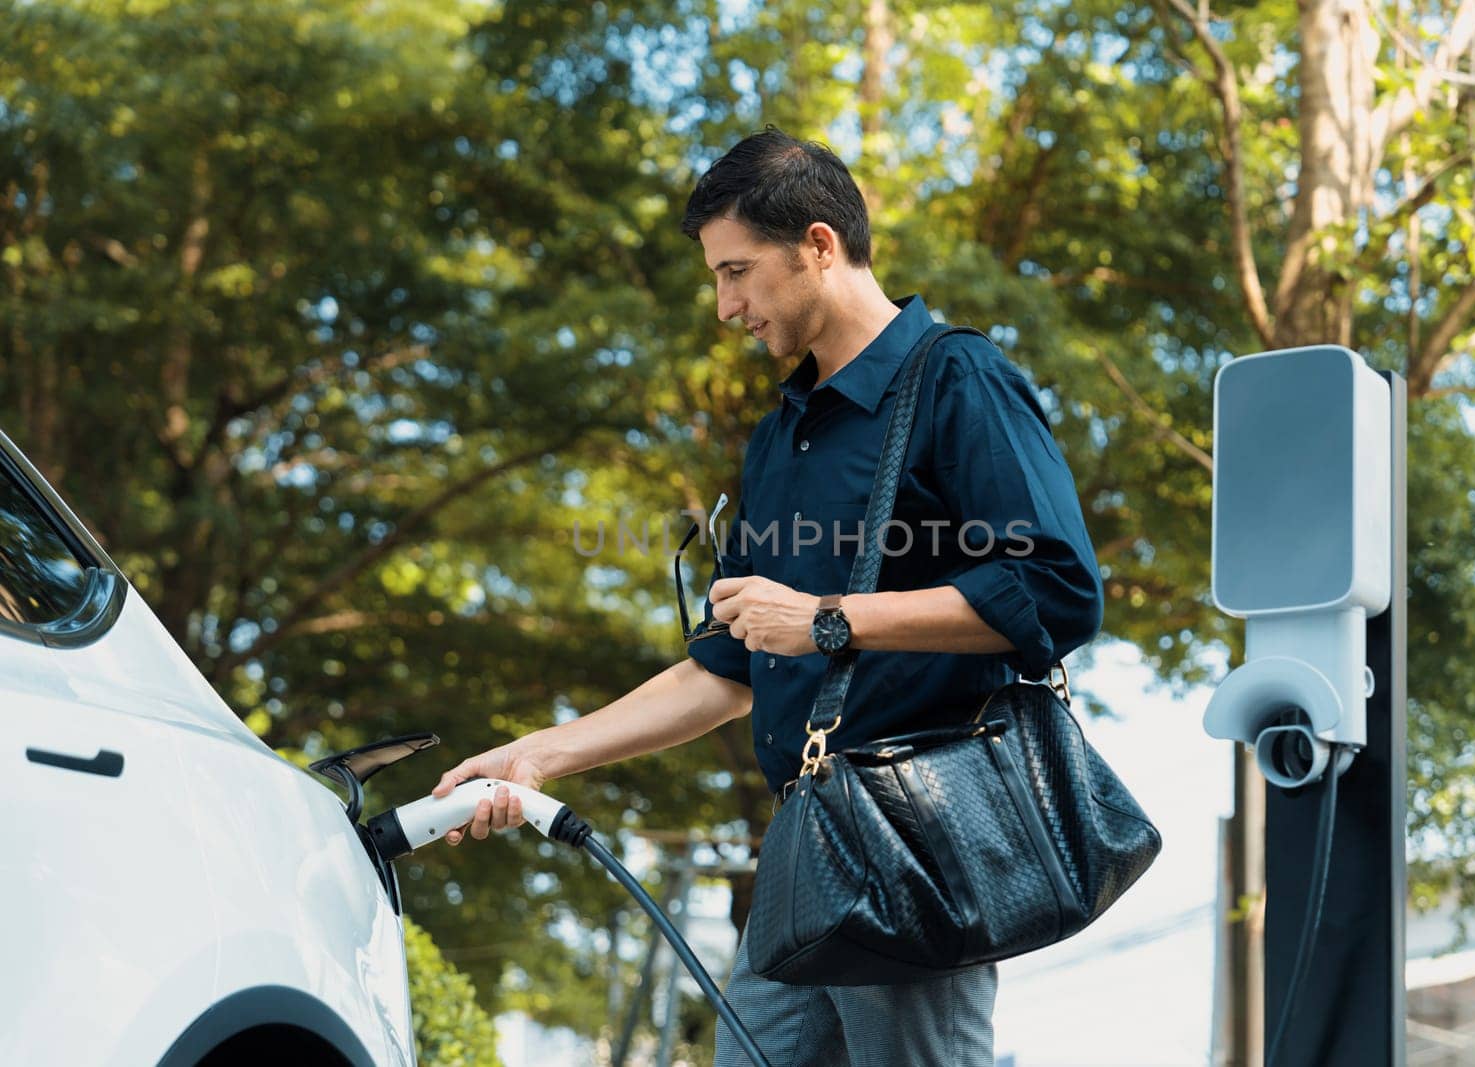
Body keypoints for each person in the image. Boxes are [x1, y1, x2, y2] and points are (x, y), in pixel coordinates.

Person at [430, 126, 1103, 1066]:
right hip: (805, 854)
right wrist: (538, 756)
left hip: (917, 848)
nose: (725, 306)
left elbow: (1057, 589)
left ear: (819, 245)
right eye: (717, 277)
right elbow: (727, 668)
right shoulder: (779, 437)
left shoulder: (959, 377)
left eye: (737, 272)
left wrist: (828, 619)